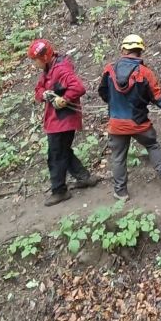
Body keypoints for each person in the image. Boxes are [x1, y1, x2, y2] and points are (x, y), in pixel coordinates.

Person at [98, 34, 161, 200]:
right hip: (139, 123)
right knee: (152, 145)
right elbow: (158, 98)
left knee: (118, 157)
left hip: (116, 123)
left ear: (123, 49)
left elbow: (102, 92)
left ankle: (121, 192)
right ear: (140, 51)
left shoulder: (109, 70)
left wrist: (113, 103)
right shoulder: (145, 73)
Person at [29, 39, 98, 207]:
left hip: (63, 119)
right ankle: (85, 177)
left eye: (34, 59)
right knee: (63, 151)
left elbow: (79, 87)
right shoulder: (48, 69)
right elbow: (38, 90)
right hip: (55, 120)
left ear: (44, 57)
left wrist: (65, 99)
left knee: (56, 155)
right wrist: (44, 94)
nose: (33, 63)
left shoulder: (61, 69)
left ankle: (59, 190)